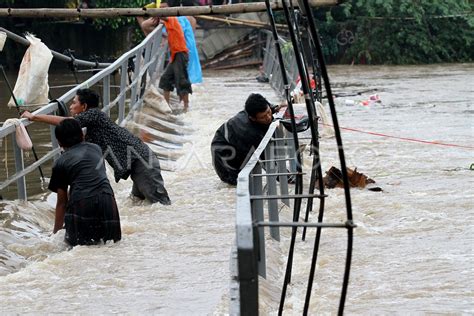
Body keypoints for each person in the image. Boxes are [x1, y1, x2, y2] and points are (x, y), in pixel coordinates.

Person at [21, 88, 171, 205]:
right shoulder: (93, 126)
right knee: (141, 204)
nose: (71, 106)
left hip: (142, 162)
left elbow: (67, 123)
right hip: (138, 164)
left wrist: (34, 117)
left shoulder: (95, 115)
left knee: (160, 204)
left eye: (74, 103)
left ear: (84, 106)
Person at [49, 119, 121, 246]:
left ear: (59, 142)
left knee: (76, 249)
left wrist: (55, 234)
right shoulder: (96, 149)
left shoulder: (60, 163)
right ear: (82, 135)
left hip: (81, 204)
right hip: (108, 201)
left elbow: (62, 203)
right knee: (111, 246)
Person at [211, 93, 280, 185]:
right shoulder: (249, 133)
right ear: (252, 118)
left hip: (235, 140)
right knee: (241, 184)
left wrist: (275, 108)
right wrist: (288, 178)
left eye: (268, 112)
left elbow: (266, 107)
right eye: (263, 117)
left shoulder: (256, 109)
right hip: (225, 157)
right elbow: (266, 161)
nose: (268, 117)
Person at [138, 14, 192, 111]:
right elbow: (148, 26)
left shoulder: (172, 20)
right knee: (165, 79)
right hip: (175, 55)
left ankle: (186, 106)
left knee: (182, 80)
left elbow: (161, 18)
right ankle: (166, 105)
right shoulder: (168, 24)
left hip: (180, 54)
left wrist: (151, 13)